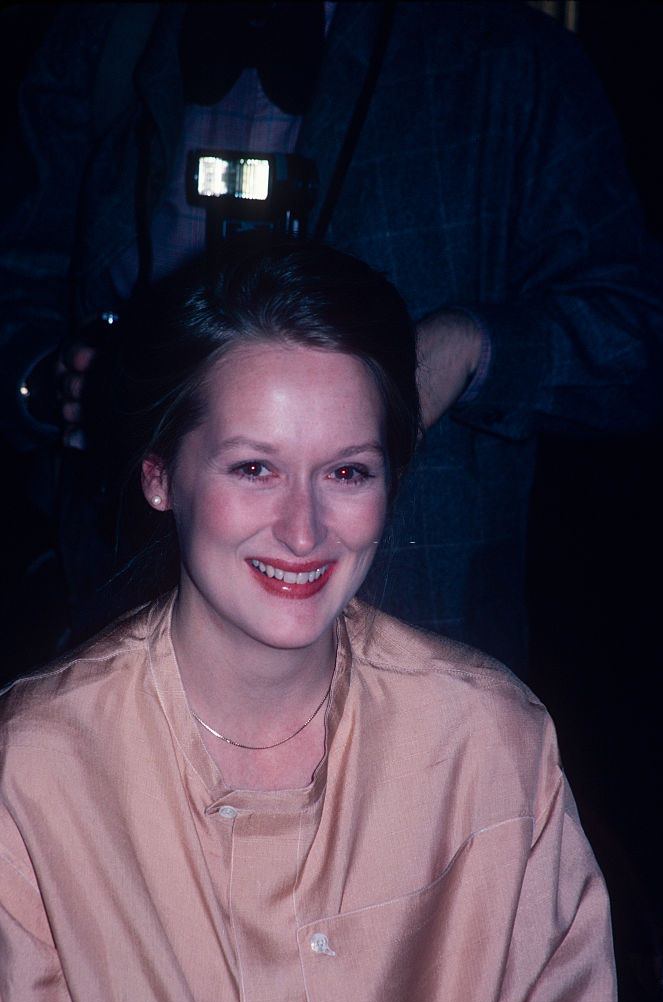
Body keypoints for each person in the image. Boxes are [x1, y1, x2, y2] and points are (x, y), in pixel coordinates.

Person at [0, 242, 616, 1002]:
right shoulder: (34, 771)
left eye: (347, 472)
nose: (303, 531)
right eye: (254, 468)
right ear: (159, 478)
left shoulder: (493, 745)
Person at [1, 2, 661, 684]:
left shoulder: (506, 57)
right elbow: (19, 285)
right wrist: (50, 380)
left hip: (416, 661)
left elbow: (635, 339)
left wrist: (473, 349)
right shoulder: (100, 36)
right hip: (116, 629)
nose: (298, 529)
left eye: (347, 470)